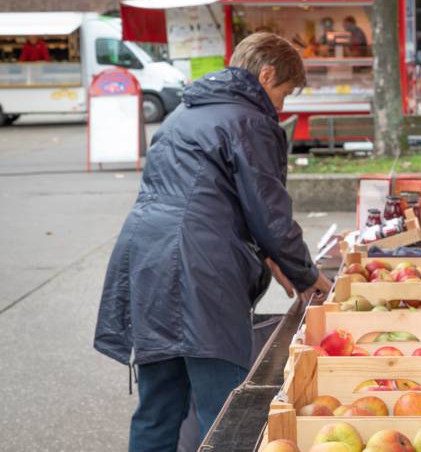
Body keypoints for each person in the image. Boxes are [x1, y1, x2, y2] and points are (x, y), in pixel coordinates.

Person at [93, 32, 332, 451]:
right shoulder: (251, 121)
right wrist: (307, 274)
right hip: (201, 270)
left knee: (158, 408)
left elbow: (214, 198)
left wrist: (271, 254)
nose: (282, 105)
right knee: (226, 413)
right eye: (284, 92)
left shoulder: (182, 115)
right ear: (267, 73)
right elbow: (269, 212)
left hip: (147, 262)